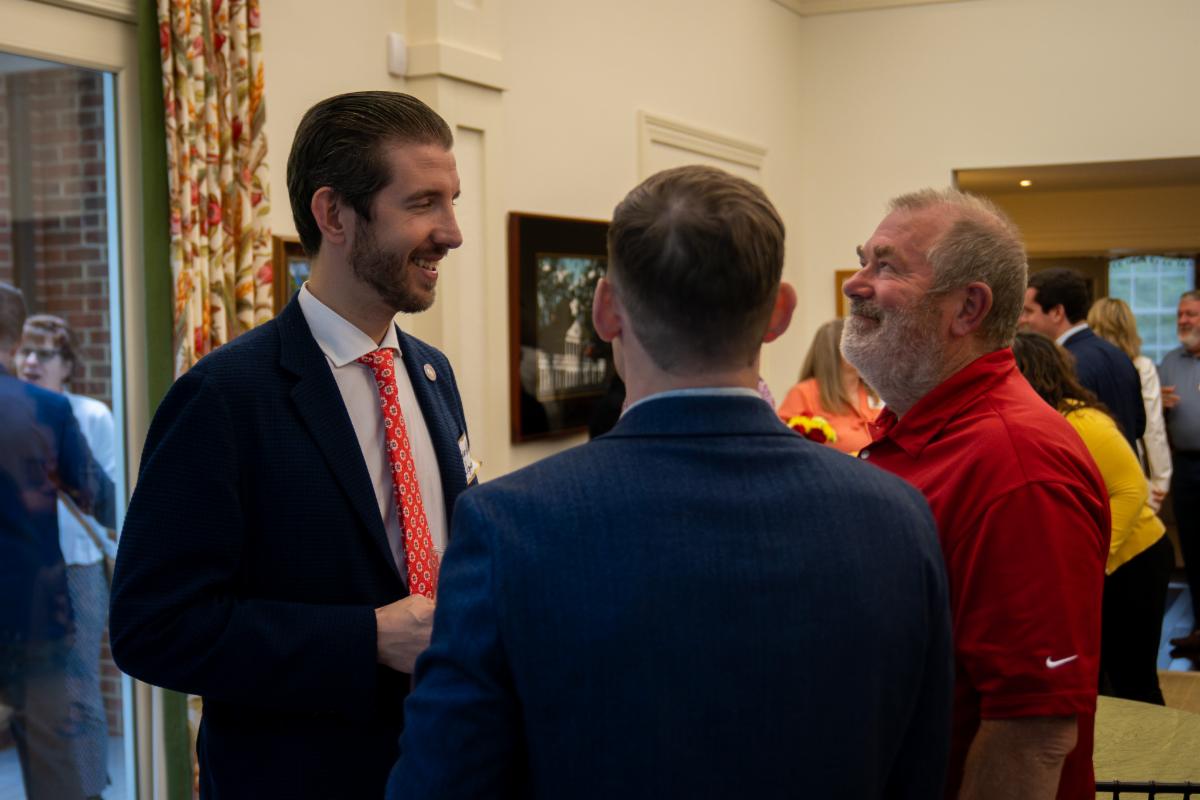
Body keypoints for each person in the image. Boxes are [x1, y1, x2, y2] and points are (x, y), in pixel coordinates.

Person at [387, 166, 954, 800]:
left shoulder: (511, 525)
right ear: (779, 313)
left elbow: (440, 783)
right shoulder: (898, 517)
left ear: (605, 311)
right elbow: (923, 767)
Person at [109, 91, 474, 798]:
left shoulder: (434, 374)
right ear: (334, 214)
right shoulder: (223, 398)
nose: (453, 232)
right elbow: (153, 627)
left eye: (452, 201)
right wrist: (364, 637)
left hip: (442, 765)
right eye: (424, 203)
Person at [841, 188, 1110, 800]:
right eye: (863, 260)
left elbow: (1032, 735)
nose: (856, 285)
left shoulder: (1018, 467)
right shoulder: (923, 432)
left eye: (886, 267)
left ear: (968, 308)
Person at [1012, 331, 1172, 705]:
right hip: (1111, 564)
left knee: (1133, 679)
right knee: (1103, 679)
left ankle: (1156, 762)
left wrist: (1091, 561)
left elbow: (1132, 490)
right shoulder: (1044, 419)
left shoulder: (1082, 420)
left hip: (1136, 560)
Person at [0, 282, 114, 800]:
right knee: (52, 755)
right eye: (27, 349)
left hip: (65, 579)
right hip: (33, 608)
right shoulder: (45, 411)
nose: (31, 360)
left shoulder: (82, 411)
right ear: (13, 337)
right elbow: (98, 494)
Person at [1020, 268, 1145, 449]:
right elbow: (1139, 425)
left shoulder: (1062, 365)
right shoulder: (1119, 355)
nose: (1022, 320)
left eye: (1029, 312)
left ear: (1057, 312)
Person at [1088, 297, 1172, 511]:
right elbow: (1153, 428)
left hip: (1095, 462)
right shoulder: (1141, 366)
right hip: (1133, 465)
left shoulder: (1085, 365)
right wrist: (1161, 479)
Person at [1160, 289, 1200, 656]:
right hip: (1186, 465)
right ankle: (1198, 631)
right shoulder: (1170, 361)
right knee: (1191, 546)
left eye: (1191, 315)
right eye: (1180, 315)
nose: (1184, 321)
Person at [776, 317, 880, 453]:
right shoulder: (803, 394)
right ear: (834, 351)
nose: (867, 349)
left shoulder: (876, 390)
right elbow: (784, 448)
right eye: (857, 342)